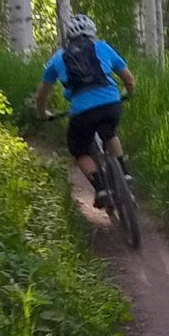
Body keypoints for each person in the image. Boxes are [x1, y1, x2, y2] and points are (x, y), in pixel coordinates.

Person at [30, 13, 136, 208]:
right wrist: (128, 93)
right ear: (92, 33)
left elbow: (41, 96)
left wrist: (43, 114)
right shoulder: (103, 47)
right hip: (111, 104)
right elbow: (128, 79)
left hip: (82, 113)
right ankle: (124, 170)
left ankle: (101, 187)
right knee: (109, 132)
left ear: (68, 36)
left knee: (79, 150)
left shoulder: (58, 58)